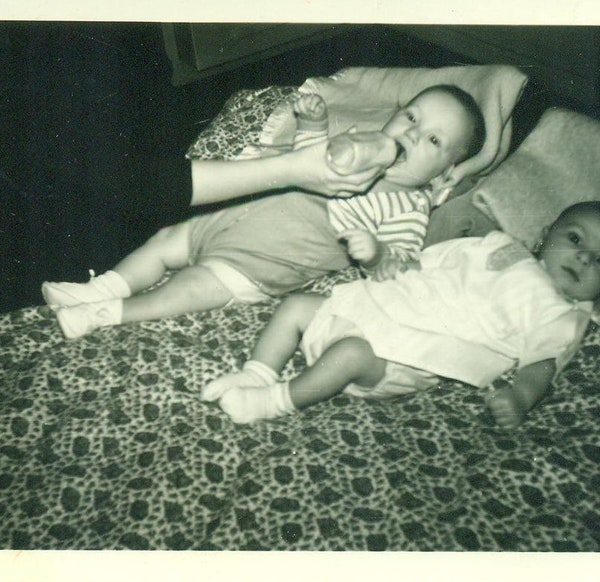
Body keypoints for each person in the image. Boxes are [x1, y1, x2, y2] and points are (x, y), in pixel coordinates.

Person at [42, 85, 485, 339]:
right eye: (411, 117)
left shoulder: (408, 205)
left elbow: (401, 270)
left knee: (188, 287)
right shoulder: (359, 143)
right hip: (228, 217)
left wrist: (375, 255)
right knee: (163, 241)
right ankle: (97, 288)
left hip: (256, 264)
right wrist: (314, 125)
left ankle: (106, 314)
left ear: (444, 173)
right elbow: (306, 160)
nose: (412, 133)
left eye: (433, 141)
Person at [202, 202, 600, 430]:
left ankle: (272, 401)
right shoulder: (499, 245)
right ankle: (257, 373)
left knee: (349, 354)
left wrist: (520, 398)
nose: (584, 257)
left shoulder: (562, 315)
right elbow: (430, 261)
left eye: (599, 260)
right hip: (381, 306)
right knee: (296, 306)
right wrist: (396, 264)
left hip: (406, 356)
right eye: (575, 238)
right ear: (546, 233)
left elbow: (540, 366)